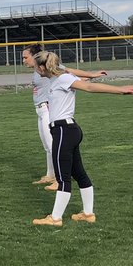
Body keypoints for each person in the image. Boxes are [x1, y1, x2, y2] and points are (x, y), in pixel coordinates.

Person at [30, 50, 133, 227]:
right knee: (78, 173)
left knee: (62, 177)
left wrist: (120, 90)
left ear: (43, 67)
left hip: (64, 130)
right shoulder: (55, 80)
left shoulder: (64, 79)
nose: (35, 70)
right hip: (66, 130)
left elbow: (89, 87)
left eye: (36, 67)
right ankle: (88, 214)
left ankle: (55, 218)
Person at [21, 44, 107, 190]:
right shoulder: (37, 70)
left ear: (35, 56)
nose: (23, 60)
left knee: (52, 145)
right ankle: (50, 175)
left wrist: (91, 75)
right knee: (47, 146)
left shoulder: (47, 66)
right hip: (40, 110)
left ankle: (58, 180)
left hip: (49, 110)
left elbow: (69, 71)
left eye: (25, 57)